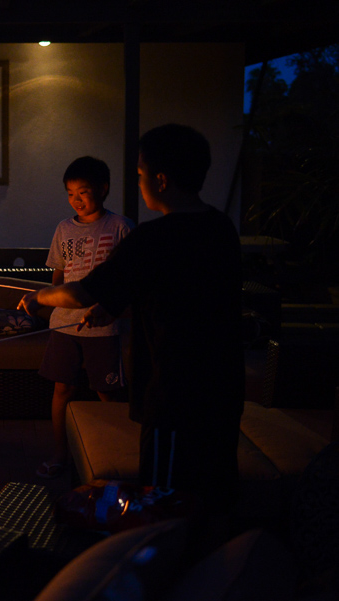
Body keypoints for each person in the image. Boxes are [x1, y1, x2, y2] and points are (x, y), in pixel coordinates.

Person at [19, 124, 244, 523]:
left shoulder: (151, 237)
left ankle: (173, 567)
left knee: (167, 499)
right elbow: (174, 292)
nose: (139, 182)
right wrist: (115, 305)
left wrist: (38, 298)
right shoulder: (221, 228)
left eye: (140, 174)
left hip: (176, 392)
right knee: (215, 490)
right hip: (223, 386)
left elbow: (82, 292)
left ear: (160, 179)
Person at [35, 156, 133, 479]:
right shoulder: (64, 229)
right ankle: (61, 453)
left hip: (103, 328)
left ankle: (114, 456)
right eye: (70, 193)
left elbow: (127, 282)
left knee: (108, 393)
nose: (76, 200)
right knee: (62, 389)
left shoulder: (120, 227)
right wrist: (47, 303)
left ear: (103, 190)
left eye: (84, 192)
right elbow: (59, 278)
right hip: (65, 325)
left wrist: (110, 308)